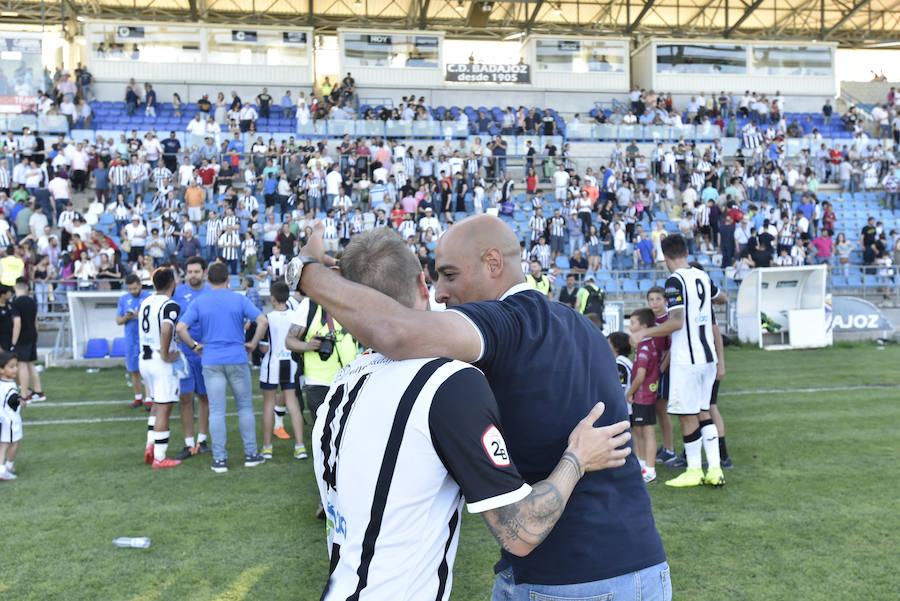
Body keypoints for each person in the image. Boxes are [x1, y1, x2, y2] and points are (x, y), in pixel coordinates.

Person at [287, 215, 669, 600]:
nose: (440, 293)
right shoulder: (578, 326)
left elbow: (396, 330)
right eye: (434, 278)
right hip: (637, 558)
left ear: (493, 263)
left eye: (450, 275)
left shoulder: (503, 326)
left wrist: (306, 271)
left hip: (567, 575)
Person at [629, 234, 727, 488]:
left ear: (665, 256)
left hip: (688, 357)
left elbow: (677, 321)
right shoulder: (701, 275)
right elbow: (722, 297)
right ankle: (715, 469)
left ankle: (694, 470)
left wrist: (644, 332)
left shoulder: (675, 280)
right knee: (704, 411)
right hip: (707, 356)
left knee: (686, 415)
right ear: (686, 252)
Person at [176, 262, 268, 473]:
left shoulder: (201, 301)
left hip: (211, 358)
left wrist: (194, 346)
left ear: (208, 280)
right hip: (236, 356)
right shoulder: (239, 298)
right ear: (229, 279)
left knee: (217, 410)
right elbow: (262, 321)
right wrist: (253, 343)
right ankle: (251, 454)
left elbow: (181, 328)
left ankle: (220, 459)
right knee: (244, 406)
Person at [138, 267, 185, 469]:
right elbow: (166, 328)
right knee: (165, 407)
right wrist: (166, 354)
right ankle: (159, 456)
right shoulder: (170, 305)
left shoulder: (145, 302)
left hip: (145, 360)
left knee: (156, 404)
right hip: (160, 361)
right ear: (173, 283)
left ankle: (151, 445)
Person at [257, 281, 306, 460]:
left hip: (272, 363)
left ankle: (267, 447)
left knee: (269, 405)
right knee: (292, 404)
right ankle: (300, 446)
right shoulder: (295, 316)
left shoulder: (267, 318)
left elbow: (263, 348)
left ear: (272, 298)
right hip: (289, 362)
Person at [171, 256, 211, 461]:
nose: (193, 275)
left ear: (204, 272)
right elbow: (169, 321)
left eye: (196, 271)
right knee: (185, 399)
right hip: (184, 355)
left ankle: (202, 441)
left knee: (205, 397)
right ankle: (188, 444)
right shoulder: (177, 293)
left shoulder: (211, 292)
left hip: (206, 354)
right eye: (190, 272)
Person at [625, 308, 661, 484]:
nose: (630, 326)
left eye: (633, 323)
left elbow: (640, 376)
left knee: (647, 431)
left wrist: (629, 392)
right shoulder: (643, 345)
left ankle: (651, 470)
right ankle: (641, 465)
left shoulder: (645, 347)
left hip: (644, 396)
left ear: (644, 326)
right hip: (641, 396)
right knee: (638, 430)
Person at [647, 286, 676, 465]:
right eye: (651, 299)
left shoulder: (669, 320)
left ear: (665, 301)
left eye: (658, 299)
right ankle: (664, 446)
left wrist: (661, 369)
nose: (654, 303)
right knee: (657, 410)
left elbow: (672, 347)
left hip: (664, 371)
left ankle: (670, 449)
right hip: (652, 370)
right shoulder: (649, 320)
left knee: (662, 410)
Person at [116, 274, 150, 409]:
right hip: (131, 339)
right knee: (134, 370)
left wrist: (140, 314)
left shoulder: (148, 297)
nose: (133, 291)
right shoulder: (124, 299)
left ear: (140, 285)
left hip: (146, 339)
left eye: (135, 288)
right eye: (130, 289)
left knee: (147, 370)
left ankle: (149, 399)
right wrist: (128, 317)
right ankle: (138, 398)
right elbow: (118, 320)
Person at [10, 279, 42, 402]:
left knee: (22, 365)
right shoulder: (32, 301)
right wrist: (35, 335)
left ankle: (24, 394)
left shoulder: (16, 303)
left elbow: (17, 324)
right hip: (32, 334)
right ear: (27, 288)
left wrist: (13, 341)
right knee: (30, 364)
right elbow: (36, 321)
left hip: (22, 336)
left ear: (15, 288)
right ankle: (38, 391)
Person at [0, 351, 24, 480]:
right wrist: (22, 400)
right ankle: (7, 467)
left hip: (2, 419)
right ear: (1, 370)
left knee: (3, 444)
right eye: (11, 366)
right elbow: (12, 400)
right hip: (10, 421)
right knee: (15, 442)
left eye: (16, 365)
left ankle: (2, 468)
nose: (16, 369)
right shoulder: (10, 385)